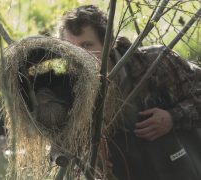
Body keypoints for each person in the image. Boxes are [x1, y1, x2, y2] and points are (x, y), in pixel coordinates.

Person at [59, 5, 201, 180]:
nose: (79, 55)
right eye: (71, 49)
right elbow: (62, 147)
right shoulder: (68, 93)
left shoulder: (155, 63)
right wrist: (89, 160)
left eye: (87, 45)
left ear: (108, 43)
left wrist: (172, 118)